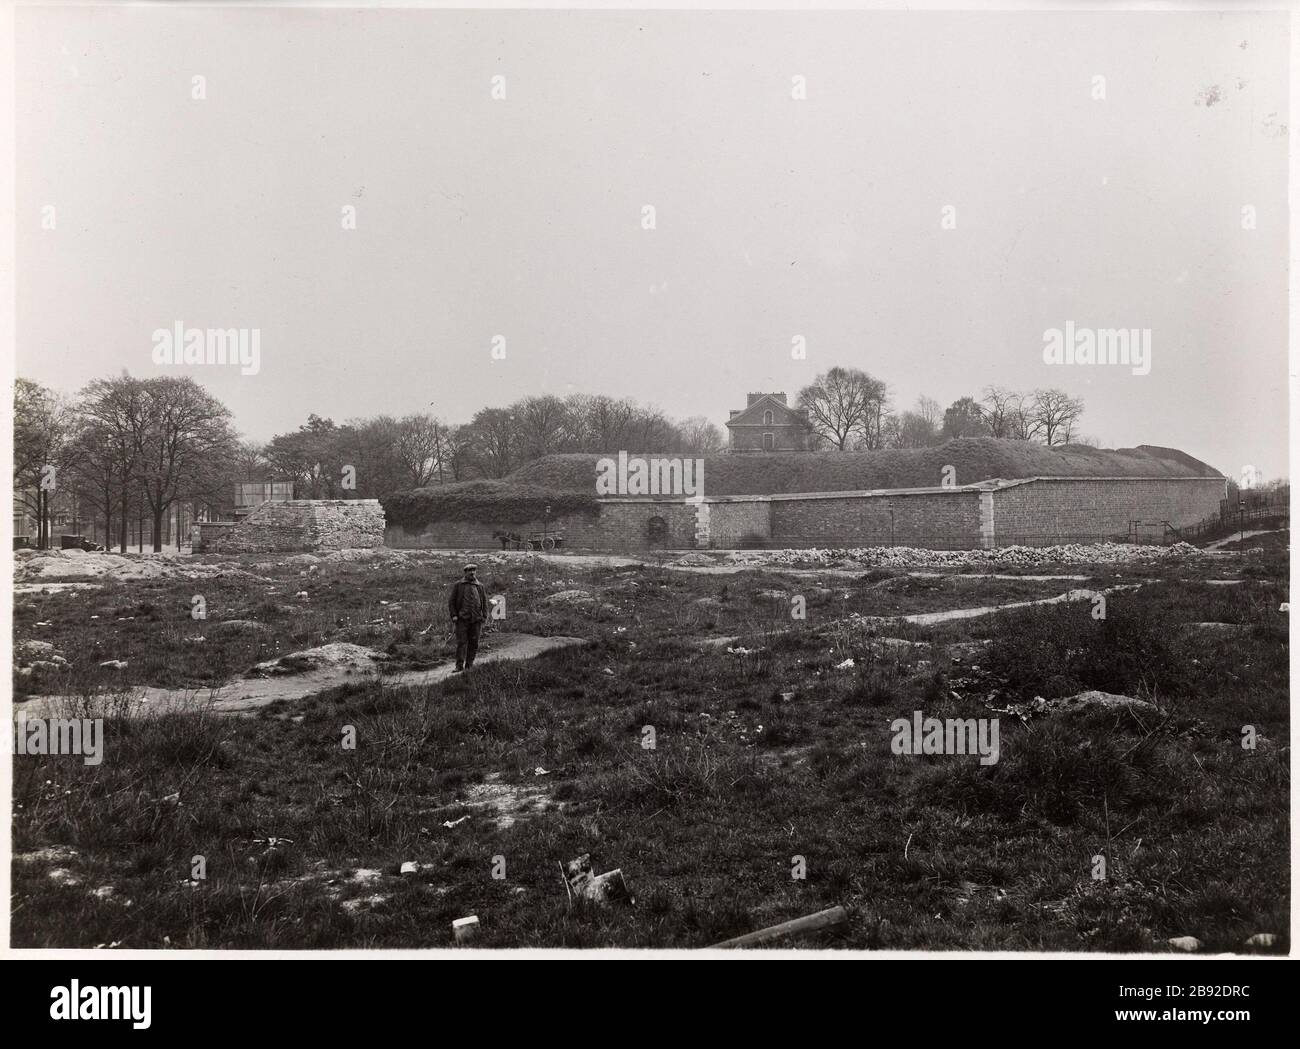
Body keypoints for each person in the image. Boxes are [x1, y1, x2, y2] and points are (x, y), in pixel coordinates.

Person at [447, 563, 488, 672]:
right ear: (465, 572)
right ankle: (459, 666)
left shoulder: (480, 586)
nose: (472, 572)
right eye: (469, 570)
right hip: (462, 620)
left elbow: (484, 601)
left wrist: (484, 616)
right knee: (461, 643)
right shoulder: (458, 585)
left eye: (474, 570)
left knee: (474, 643)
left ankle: (469, 665)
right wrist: (454, 615)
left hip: (476, 620)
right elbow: (451, 602)